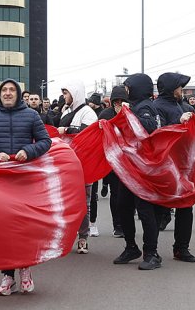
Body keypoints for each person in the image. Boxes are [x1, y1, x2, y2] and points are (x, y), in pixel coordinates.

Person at [0, 79, 52, 295]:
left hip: (24, 178)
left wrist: (29, 150)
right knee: (3, 228)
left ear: (17, 94)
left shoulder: (31, 115)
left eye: (11, 90)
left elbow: (45, 141)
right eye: (4, 90)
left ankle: (25, 269)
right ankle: (8, 276)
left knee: (24, 226)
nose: (8, 93)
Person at [116, 73, 168, 271]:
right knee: (123, 206)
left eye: (128, 87)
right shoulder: (139, 106)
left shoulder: (144, 107)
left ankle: (151, 253)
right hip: (131, 168)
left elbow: (147, 129)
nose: (126, 91)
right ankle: (131, 247)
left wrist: (128, 116)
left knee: (145, 211)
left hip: (143, 169)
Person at [153, 72, 195, 263]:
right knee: (156, 208)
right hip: (163, 166)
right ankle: (151, 250)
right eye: (180, 87)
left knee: (186, 206)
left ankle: (181, 248)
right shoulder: (155, 107)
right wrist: (178, 123)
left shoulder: (185, 107)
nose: (182, 90)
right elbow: (157, 135)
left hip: (184, 164)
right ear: (172, 88)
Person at [56, 80, 99, 251]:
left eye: (66, 93)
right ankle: (67, 236)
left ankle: (83, 237)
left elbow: (87, 134)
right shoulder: (66, 110)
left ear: (75, 93)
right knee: (66, 203)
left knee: (83, 203)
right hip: (66, 164)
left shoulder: (88, 112)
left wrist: (66, 131)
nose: (64, 96)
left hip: (83, 165)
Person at [97, 85, 128, 239]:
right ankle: (118, 225)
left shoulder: (131, 113)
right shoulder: (105, 114)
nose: (119, 103)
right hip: (112, 160)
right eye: (117, 101)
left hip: (128, 160)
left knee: (127, 194)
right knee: (115, 193)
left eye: (122, 101)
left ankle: (126, 223)